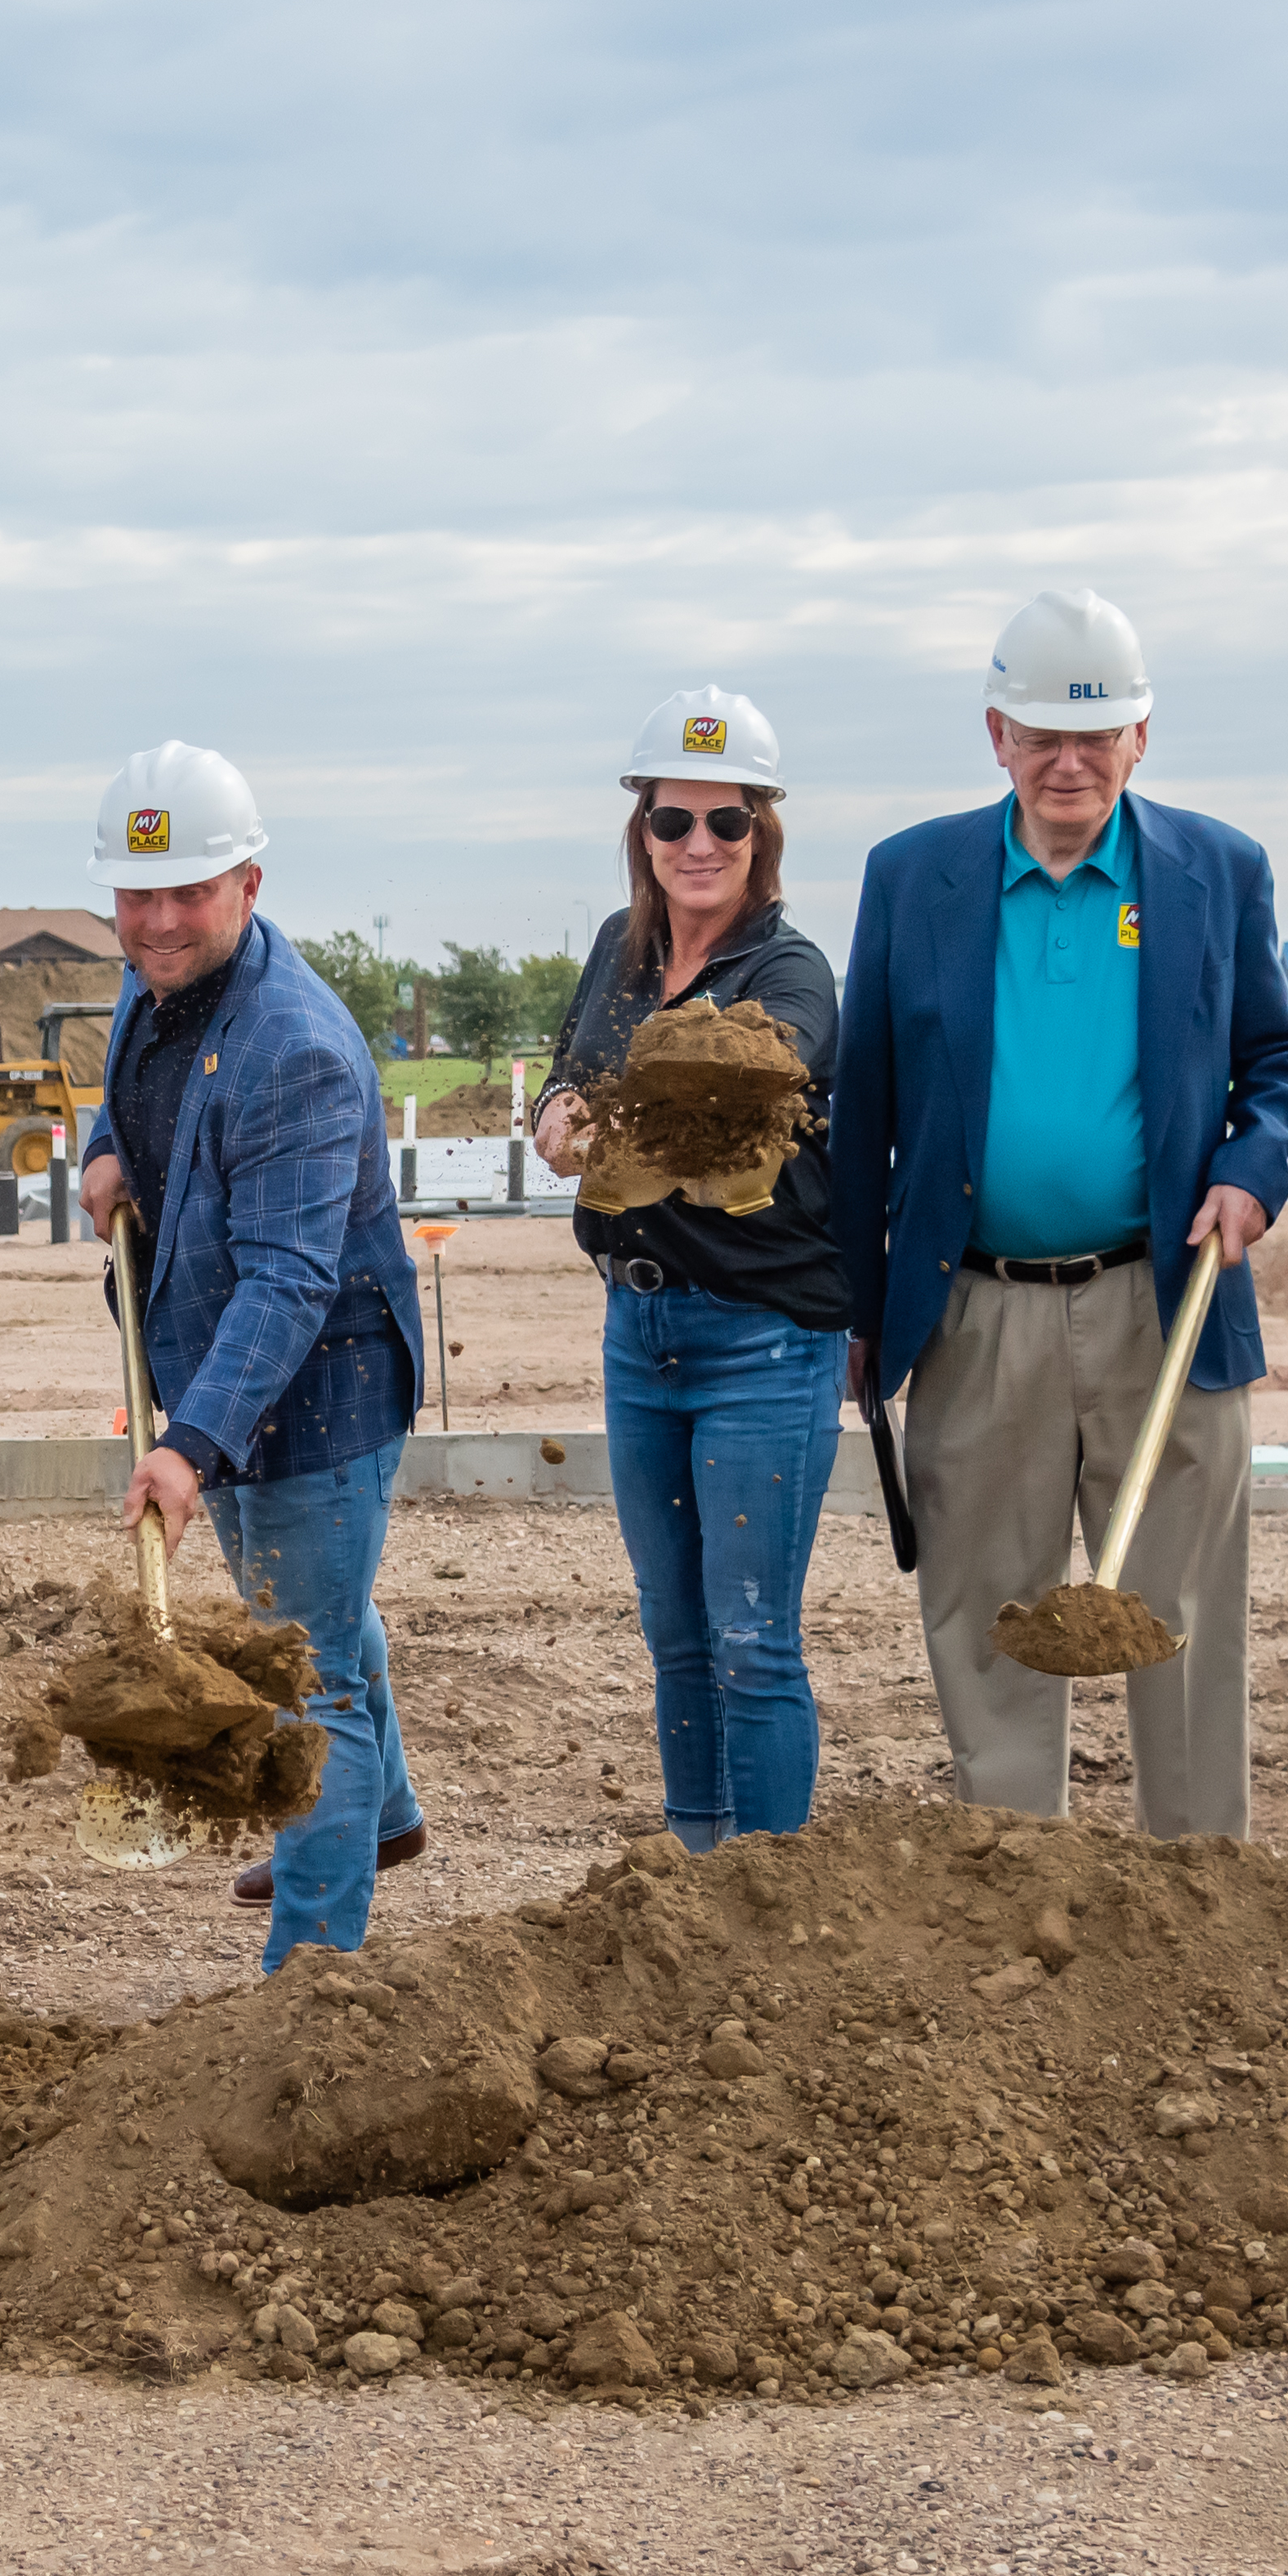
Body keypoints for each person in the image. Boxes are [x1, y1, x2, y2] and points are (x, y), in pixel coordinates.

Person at [827, 589, 1288, 1827]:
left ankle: (1195, 1891)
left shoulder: (1220, 872)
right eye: (1041, 733)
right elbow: (862, 1111)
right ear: (995, 734)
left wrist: (1252, 1173)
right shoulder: (912, 878)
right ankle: (1012, 1880)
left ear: (1141, 738)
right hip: (975, 1316)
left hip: (1167, 1306)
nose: (1068, 760)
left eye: (1096, 736)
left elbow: (1278, 1065)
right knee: (989, 1626)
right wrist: (857, 1306)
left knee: (1184, 1625)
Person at [71, 741, 432, 1969]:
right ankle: (379, 1818)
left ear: (250, 887)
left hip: (315, 1394)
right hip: (232, 1370)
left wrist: (189, 1448)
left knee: (310, 1679)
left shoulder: (298, 1053)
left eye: (190, 893)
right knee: (327, 1619)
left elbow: (287, 1281)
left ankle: (311, 1975)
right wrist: (105, 1153)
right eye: (138, 894)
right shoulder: (152, 980)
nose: (160, 921)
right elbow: (127, 1089)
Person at [527, 683, 843, 1850]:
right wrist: (561, 1109)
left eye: (726, 822)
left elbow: (746, 1080)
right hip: (640, 1333)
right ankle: (694, 1868)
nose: (697, 845)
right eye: (673, 822)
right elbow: (571, 1074)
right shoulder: (622, 949)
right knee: (676, 1632)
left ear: (763, 836)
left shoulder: (792, 974)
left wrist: (615, 1121)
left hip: (760, 1338)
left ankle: (764, 1894)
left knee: (754, 1638)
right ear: (641, 833)